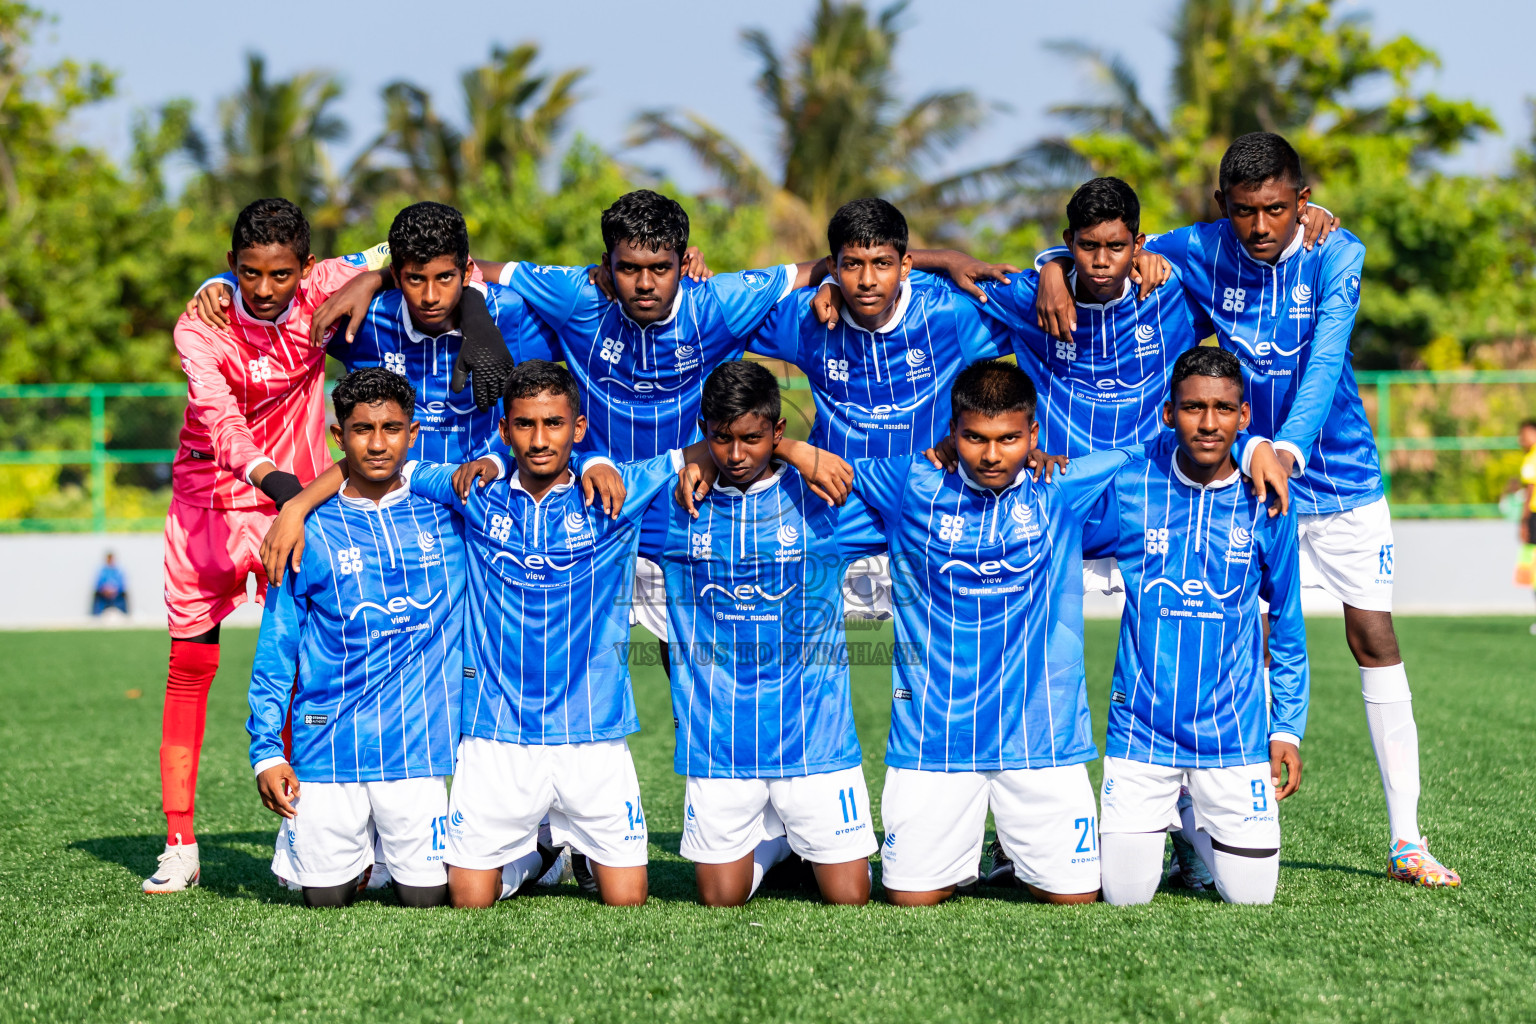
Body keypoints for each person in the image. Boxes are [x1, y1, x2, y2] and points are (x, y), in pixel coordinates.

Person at [1036, 131, 1460, 888]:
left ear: (1303, 200)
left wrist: (1284, 452)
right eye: (1244, 212)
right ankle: (1204, 829)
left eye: (1275, 209)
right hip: (1238, 481)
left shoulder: (1337, 251)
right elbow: (1102, 246)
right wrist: (1050, 270)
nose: (1260, 227)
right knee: (1238, 631)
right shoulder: (1196, 247)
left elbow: (1327, 359)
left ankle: (1407, 839)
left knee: (1372, 633)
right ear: (1221, 207)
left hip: (1334, 476)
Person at [842, 360, 1279, 905]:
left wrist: (1255, 444)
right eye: (975, 438)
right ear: (951, 434)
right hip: (936, 738)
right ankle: (987, 852)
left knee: (1076, 898)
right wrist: (753, 452)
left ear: (1033, 435)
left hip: (1041, 738)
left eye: (1008, 439)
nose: (992, 454)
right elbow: (823, 470)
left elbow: (1164, 444)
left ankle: (1046, 846)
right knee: (911, 900)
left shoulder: (1061, 487)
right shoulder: (910, 482)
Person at [143, 198, 391, 895]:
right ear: (229, 266)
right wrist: (287, 489)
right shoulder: (201, 322)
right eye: (248, 273)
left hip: (292, 505)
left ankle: (301, 827)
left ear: (305, 268)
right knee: (189, 666)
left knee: (307, 661)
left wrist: (369, 278)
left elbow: (406, 244)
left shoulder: (323, 287)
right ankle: (181, 841)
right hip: (212, 504)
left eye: (280, 274)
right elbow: (220, 426)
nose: (262, 289)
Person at [410, 360, 673, 908]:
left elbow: (708, 451)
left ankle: (566, 842)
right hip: (495, 732)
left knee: (627, 900)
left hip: (593, 730)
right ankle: (540, 854)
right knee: (468, 900)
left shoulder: (615, 490)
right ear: (503, 431)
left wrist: (793, 449)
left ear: (578, 429)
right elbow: (383, 469)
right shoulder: (474, 490)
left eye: (554, 424)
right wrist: (296, 506)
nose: (538, 438)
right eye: (524, 425)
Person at [649, 361, 884, 906]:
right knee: (720, 899)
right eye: (721, 440)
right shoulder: (672, 508)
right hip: (720, 744)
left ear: (777, 432)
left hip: (814, 740)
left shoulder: (824, 498)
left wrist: (800, 454)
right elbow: (591, 475)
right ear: (704, 431)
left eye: (753, 439)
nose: (736, 455)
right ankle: (777, 844)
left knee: (849, 897)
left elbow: (914, 485)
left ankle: (797, 838)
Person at [1086, 347, 1306, 906]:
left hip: (1234, 734)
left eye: (1222, 409)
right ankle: (1182, 822)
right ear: (1168, 414)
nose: (1208, 423)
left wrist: (1287, 729)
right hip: (1141, 732)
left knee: (1253, 901)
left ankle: (1193, 822)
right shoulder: (1130, 482)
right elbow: (1052, 506)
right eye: (1193, 408)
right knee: (1124, 898)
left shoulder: (1270, 502)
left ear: (1243, 416)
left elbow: (1285, 621)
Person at [248, 368, 464, 909]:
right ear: (337, 437)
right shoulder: (305, 531)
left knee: (428, 898)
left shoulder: (450, 514)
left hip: (418, 747)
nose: (377, 442)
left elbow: (534, 456)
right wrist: (266, 753)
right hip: (329, 744)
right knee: (325, 898)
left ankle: (537, 851)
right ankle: (363, 850)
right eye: (362, 429)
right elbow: (278, 648)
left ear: (413, 434)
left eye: (391, 428)